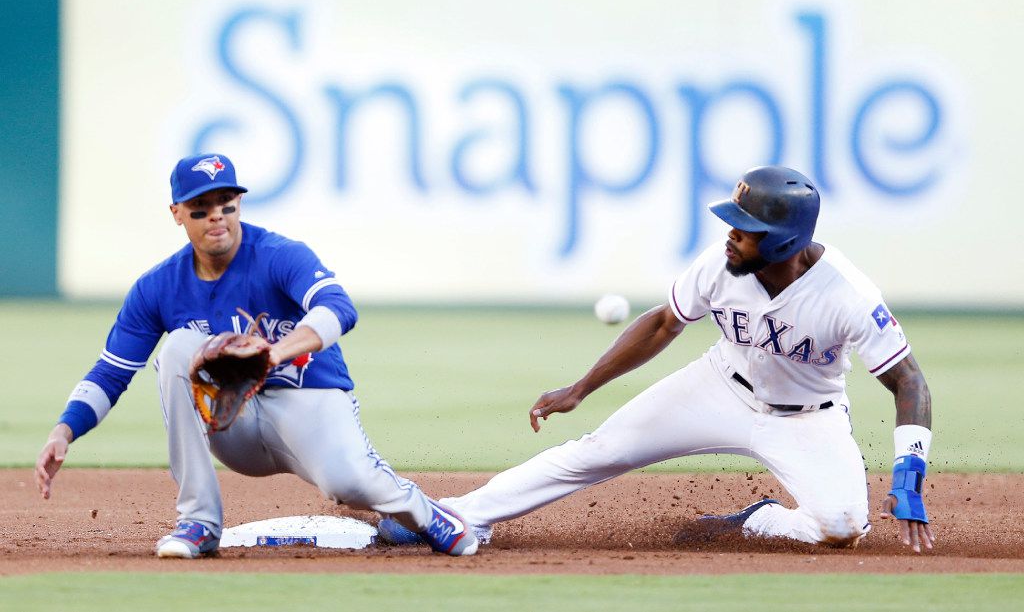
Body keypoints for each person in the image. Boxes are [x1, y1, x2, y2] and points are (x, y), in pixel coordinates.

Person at [379, 165, 935, 552]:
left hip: (806, 418)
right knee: (595, 453)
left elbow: (909, 382)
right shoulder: (722, 265)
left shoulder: (848, 296)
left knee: (842, 528)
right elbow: (665, 322)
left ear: (786, 243)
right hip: (718, 388)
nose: (730, 237)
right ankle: (453, 515)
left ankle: (758, 521)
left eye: (746, 230)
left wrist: (908, 477)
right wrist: (582, 387)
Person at [34, 153, 477, 558]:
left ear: (239, 204)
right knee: (178, 349)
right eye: (200, 209)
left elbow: (339, 308)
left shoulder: (278, 255)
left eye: (226, 203)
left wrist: (272, 354)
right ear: (176, 214)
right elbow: (111, 372)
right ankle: (198, 523)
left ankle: (423, 513)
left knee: (349, 483)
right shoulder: (158, 287)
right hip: (235, 422)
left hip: (309, 401)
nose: (217, 217)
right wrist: (64, 429)